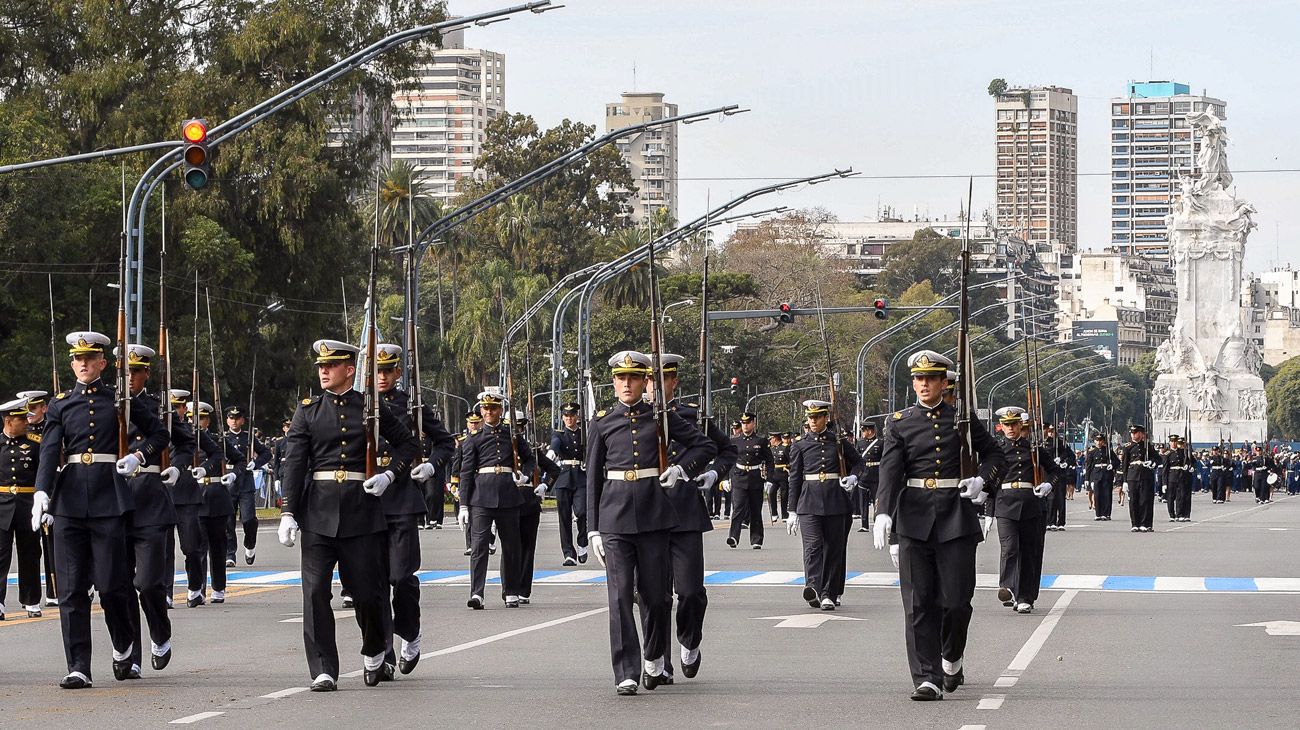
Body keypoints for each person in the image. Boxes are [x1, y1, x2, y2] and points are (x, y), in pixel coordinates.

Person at [277, 339, 419, 691]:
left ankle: (374, 649)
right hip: (318, 513)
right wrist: (288, 511)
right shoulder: (308, 411)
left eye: (331, 365)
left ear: (350, 369)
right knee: (314, 593)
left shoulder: (370, 409)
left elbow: (408, 445)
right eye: (320, 366)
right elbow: (294, 464)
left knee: (369, 594)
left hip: (361, 512)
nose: (323, 370)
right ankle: (323, 668)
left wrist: (389, 475)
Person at [34, 331, 170, 689]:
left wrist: (138, 456)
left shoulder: (118, 400)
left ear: (102, 364)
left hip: (109, 498)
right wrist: (41, 493)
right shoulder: (61, 404)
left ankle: (124, 644)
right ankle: (79, 665)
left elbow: (160, 435)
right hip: (70, 499)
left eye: (90, 359)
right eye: (77, 359)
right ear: (71, 364)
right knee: (72, 589)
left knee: (112, 587)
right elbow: (49, 451)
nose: (83, 364)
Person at [873, 350, 1005, 701]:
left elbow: (995, 455)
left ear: (945, 382)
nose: (923, 384)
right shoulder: (899, 422)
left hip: (956, 517)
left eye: (930, 378)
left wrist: (981, 481)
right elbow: (890, 470)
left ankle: (951, 657)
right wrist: (883, 511)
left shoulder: (962, 420)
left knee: (957, 601)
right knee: (918, 602)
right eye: (918, 378)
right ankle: (926, 677)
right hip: (914, 518)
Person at [586, 350, 715, 696]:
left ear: (645, 382)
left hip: (655, 518)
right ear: (613, 382)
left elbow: (704, 445)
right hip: (615, 519)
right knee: (620, 594)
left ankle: (654, 653)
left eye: (634, 378)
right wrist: (593, 528)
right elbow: (593, 479)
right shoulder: (601, 422)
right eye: (620, 378)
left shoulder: (661, 419)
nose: (626, 384)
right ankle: (625, 670)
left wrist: (681, 469)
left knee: (656, 598)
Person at [640, 352, 735, 683]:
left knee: (691, 591)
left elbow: (726, 450)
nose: (654, 386)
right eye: (649, 380)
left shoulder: (694, 417)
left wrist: (712, 473)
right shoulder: (634, 419)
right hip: (646, 513)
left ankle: (689, 643)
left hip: (684, 513)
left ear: (673, 383)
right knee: (653, 594)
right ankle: (658, 660)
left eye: (661, 380)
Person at [374, 343, 455, 674]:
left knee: (401, 577)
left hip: (403, 497)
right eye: (377, 371)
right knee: (374, 584)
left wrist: (432, 467)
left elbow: (445, 442)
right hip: (368, 501)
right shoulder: (358, 404)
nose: (382, 377)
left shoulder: (413, 405)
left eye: (387, 371)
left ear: (397, 372)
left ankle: (410, 631)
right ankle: (384, 654)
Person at [120, 344, 193, 677]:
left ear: (147, 373)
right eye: (126, 370)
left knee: (148, 583)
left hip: (150, 499)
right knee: (119, 586)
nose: (131, 377)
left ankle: (160, 633)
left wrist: (177, 467)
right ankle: (130, 655)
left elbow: (186, 442)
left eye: (136, 371)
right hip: (114, 501)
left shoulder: (157, 408)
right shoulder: (106, 403)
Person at [458, 392, 534, 610]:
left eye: (493, 408)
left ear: (500, 410)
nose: (489, 412)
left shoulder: (512, 435)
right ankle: (477, 592)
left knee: (511, 546)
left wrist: (525, 476)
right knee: (479, 547)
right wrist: (464, 505)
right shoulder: (475, 438)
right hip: (481, 497)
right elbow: (466, 472)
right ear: (481, 411)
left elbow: (529, 460)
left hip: (508, 495)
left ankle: (511, 591)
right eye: (485, 408)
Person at [786, 399, 863, 610]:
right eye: (810, 417)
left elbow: (858, 462)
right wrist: (791, 510)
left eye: (817, 417)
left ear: (826, 418)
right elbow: (794, 478)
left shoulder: (838, 442)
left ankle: (829, 592)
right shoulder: (800, 445)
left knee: (833, 549)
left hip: (835, 502)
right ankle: (813, 587)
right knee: (812, 548)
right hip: (809, 502)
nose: (813, 421)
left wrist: (853, 478)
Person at [991, 407, 1065, 614]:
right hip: (1005, 504)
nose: (1011, 428)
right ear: (1001, 427)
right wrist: (988, 510)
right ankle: (1007, 586)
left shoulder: (1034, 450)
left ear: (1020, 425)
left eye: (1014, 424)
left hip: (1031, 504)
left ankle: (1025, 596)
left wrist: (1049, 484)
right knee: (1010, 547)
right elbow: (990, 479)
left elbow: (1056, 472)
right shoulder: (996, 450)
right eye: (1007, 425)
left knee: (1029, 552)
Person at [166, 392, 220, 609]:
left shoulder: (193, 432)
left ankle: (194, 589)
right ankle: (165, 593)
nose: (177, 411)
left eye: (179, 407)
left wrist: (203, 468)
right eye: (173, 407)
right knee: (163, 549)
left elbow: (216, 453)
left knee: (191, 548)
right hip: (163, 495)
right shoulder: (155, 429)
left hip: (187, 496)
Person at [0, 397, 44, 619]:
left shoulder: (35, 444)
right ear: (9, 421)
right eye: (21, 419)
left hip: (27, 505)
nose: (27, 422)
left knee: (30, 554)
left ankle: (31, 600)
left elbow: (43, 476)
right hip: (2, 507)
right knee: (1, 556)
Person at [191, 401, 233, 605]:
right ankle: (197, 588)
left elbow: (240, 459)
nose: (196, 422)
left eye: (200, 418)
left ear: (207, 420)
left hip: (216, 497)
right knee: (198, 548)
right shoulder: (185, 439)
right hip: (197, 496)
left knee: (218, 547)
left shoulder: (218, 441)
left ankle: (218, 588)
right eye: (192, 418)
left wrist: (234, 475)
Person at [19, 389, 59, 608]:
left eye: (33, 408)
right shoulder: (21, 434)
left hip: (49, 490)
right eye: (26, 410)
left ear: (44, 408)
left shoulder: (52, 428)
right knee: (30, 548)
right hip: (26, 497)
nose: (29, 414)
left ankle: (55, 590)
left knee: (53, 544)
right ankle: (30, 596)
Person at [223, 406, 270, 566]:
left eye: (237, 418)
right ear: (227, 420)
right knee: (227, 521)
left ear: (242, 420)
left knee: (249, 519)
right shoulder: (222, 438)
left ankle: (250, 545)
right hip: (228, 481)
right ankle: (230, 554)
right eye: (231, 417)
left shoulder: (248, 438)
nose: (234, 421)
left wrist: (255, 463)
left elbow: (266, 453)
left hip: (245, 482)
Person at [726, 412, 774, 549]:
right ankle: (733, 536)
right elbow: (729, 459)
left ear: (754, 423)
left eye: (748, 423)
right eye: (743, 423)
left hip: (755, 478)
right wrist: (726, 478)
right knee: (738, 508)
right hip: (739, 477)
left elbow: (769, 460)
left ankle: (756, 539)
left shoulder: (761, 440)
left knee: (755, 509)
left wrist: (769, 479)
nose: (745, 425)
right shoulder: (734, 440)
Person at [549, 402, 588, 565]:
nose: (569, 419)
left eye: (572, 415)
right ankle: (568, 553)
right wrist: (550, 454)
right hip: (564, 478)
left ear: (577, 416)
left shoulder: (584, 433)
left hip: (580, 477)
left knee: (582, 512)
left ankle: (582, 543)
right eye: (566, 416)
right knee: (564, 518)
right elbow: (555, 447)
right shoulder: (558, 434)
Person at [1120, 425, 1161, 532]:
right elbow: (1124, 465)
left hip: (1146, 476)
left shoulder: (1148, 446)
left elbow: (1158, 458)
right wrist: (1124, 480)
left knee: (1145, 500)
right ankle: (1135, 523)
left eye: (1136, 433)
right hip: (1132, 476)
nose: (1133, 435)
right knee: (1133, 500)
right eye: (1132, 433)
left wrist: (1152, 462)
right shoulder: (1128, 447)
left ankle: (1144, 523)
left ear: (1142, 434)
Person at [1043, 424, 1074, 531]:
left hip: (1059, 473)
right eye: (1049, 430)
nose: (1051, 432)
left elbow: (1070, 455)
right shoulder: (1043, 443)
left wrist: (1063, 461)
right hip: (1047, 473)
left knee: (1060, 498)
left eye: (1053, 431)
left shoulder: (1060, 443)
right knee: (1049, 498)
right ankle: (1049, 521)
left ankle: (1060, 522)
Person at [1084, 433, 1120, 520]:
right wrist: (1087, 479)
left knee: (1107, 495)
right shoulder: (1092, 452)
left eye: (1100, 440)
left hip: (1106, 474)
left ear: (1103, 441)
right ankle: (1098, 513)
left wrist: (1112, 465)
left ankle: (1106, 513)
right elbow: (1088, 466)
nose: (1098, 442)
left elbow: (1117, 462)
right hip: (1096, 475)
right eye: (1097, 440)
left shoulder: (1108, 451)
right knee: (1097, 495)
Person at [855, 422, 882, 532]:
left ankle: (877, 522)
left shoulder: (880, 443)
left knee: (877, 500)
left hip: (876, 475)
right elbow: (856, 459)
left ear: (869, 431)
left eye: (864, 430)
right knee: (863, 501)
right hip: (863, 475)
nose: (862, 433)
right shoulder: (860, 443)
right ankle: (864, 524)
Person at [1162, 435, 1196, 522]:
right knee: (1170, 497)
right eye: (1172, 441)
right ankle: (1171, 515)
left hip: (1181, 476)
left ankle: (1179, 514)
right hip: (1171, 477)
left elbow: (1190, 461)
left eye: (1175, 441)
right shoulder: (1167, 454)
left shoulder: (1183, 452)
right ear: (1169, 443)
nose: (1174, 443)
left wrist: (1189, 466)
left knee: (1180, 496)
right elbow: (1165, 469)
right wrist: (1164, 483)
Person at [767, 432, 790, 524]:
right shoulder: (771, 449)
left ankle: (785, 514)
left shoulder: (785, 447)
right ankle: (774, 513)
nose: (770, 441)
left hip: (783, 473)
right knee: (771, 493)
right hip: (774, 474)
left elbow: (791, 460)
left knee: (784, 496)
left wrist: (789, 469)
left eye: (771, 438)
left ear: (775, 438)